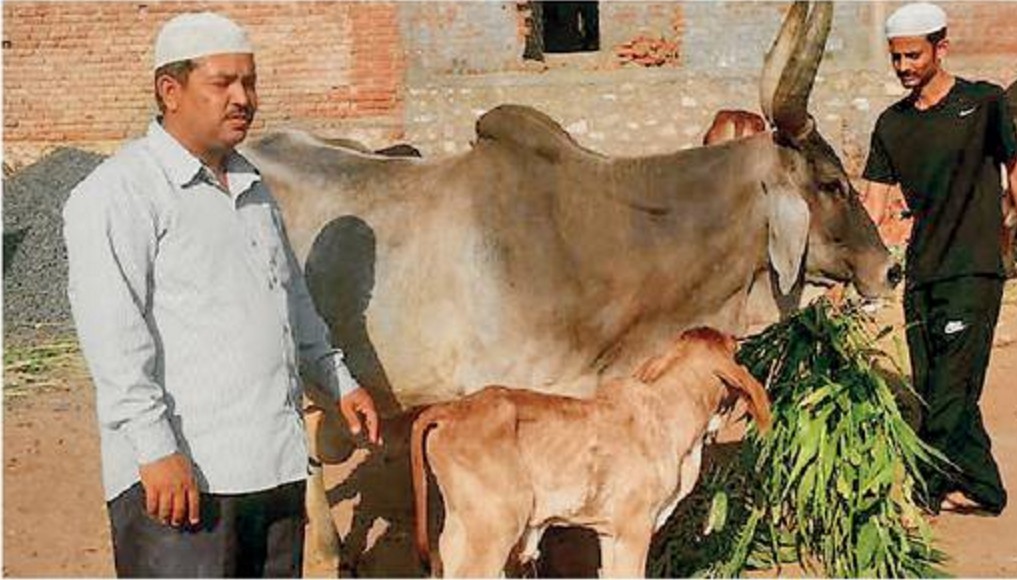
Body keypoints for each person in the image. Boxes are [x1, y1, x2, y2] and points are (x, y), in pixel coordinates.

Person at [63, 12, 381, 576]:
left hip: (275, 469)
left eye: (250, 82)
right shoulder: (119, 194)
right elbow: (115, 339)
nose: (243, 98)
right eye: (223, 83)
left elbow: (292, 305)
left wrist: (339, 381)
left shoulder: (254, 188)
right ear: (170, 91)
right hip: (182, 479)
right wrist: (156, 450)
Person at [862, 2, 1016, 516]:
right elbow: (874, 208)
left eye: (912, 56)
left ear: (940, 48)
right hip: (923, 273)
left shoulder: (986, 103)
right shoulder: (891, 125)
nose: (903, 66)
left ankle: (923, 492)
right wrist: (848, 281)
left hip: (974, 270)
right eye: (896, 58)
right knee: (933, 390)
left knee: (951, 391)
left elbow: (1015, 172)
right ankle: (983, 490)